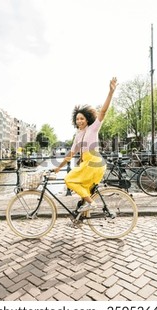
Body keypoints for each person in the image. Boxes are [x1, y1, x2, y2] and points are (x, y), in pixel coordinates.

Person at [54, 77, 118, 212]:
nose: (79, 121)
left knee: (69, 180)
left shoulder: (93, 128)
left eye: (82, 118)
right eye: (77, 119)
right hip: (86, 165)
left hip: (94, 163)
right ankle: (83, 217)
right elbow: (70, 155)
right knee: (83, 193)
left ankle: (91, 204)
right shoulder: (77, 136)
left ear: (87, 119)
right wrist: (58, 168)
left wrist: (110, 92)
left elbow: (103, 112)